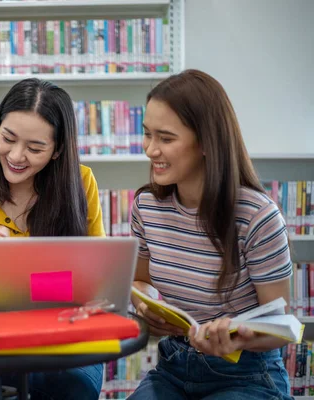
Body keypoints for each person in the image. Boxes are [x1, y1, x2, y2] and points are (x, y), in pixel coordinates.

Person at [128, 69, 293, 399]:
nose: (150, 149)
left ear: (205, 141)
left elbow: (281, 327)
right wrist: (145, 306)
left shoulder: (256, 216)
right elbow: (139, 280)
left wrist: (237, 336)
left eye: (166, 138)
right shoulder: (146, 206)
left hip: (247, 374)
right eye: (147, 134)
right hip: (174, 366)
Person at [0, 78, 106, 400]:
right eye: (8, 138)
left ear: (58, 150)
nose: (16, 156)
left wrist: (5, 274)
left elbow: (96, 283)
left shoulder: (81, 183)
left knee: (73, 383)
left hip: (64, 333)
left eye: (35, 148)